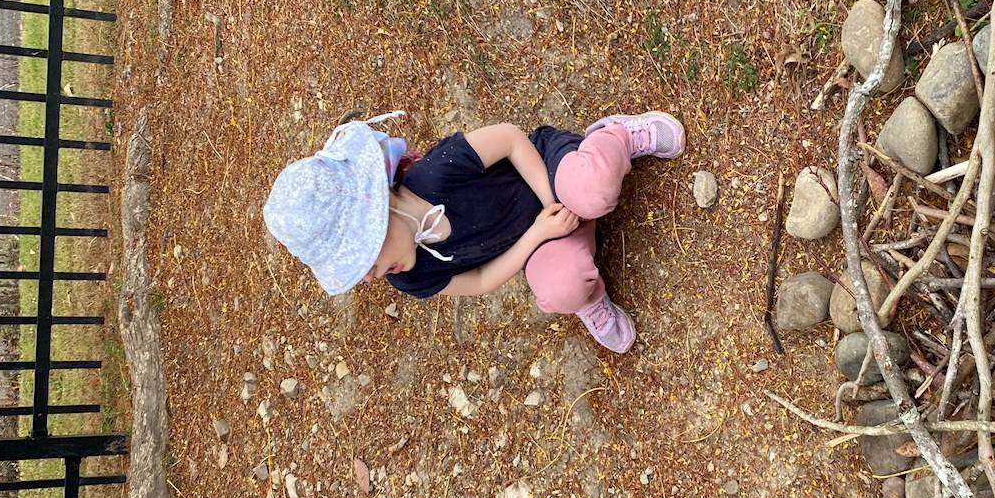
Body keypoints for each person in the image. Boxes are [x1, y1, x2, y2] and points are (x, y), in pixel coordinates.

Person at [262, 111, 685, 353]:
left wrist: (549, 199)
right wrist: (539, 233)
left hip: (547, 173)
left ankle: (615, 137)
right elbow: (482, 280)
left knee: (591, 190)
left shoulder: (435, 174)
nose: (372, 276)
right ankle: (590, 297)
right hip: (542, 235)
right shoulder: (409, 276)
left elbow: (512, 141)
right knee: (560, 289)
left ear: (378, 215)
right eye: (361, 274)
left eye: (366, 260)